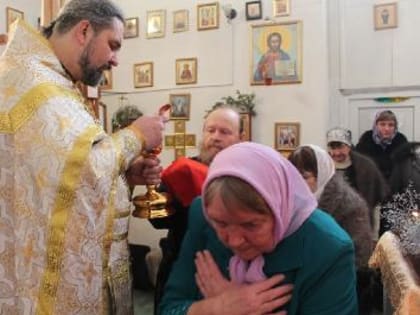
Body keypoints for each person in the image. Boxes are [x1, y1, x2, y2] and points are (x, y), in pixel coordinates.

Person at [0, 1, 165, 314]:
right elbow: (84, 170)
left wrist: (124, 176)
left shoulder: (47, 78)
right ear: (84, 30)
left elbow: (56, 180)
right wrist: (137, 136)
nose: (115, 60)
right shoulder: (36, 86)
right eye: (113, 45)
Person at [160, 142, 358, 315]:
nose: (235, 240)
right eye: (221, 223)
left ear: (280, 209)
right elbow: (168, 308)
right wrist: (217, 307)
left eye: (250, 225)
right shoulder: (202, 216)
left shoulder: (327, 248)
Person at [150, 106, 245, 314]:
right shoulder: (183, 169)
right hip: (181, 266)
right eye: (210, 130)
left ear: (240, 137)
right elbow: (157, 221)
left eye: (225, 132)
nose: (216, 137)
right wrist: (168, 197)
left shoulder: (248, 174)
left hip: (233, 268)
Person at [288, 145, 374, 314]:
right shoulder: (288, 203)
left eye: (304, 177)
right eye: (292, 176)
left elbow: (359, 259)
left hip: (337, 287)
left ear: (322, 176)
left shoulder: (350, 206)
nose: (296, 184)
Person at [326, 127, 389, 233]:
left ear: (349, 146)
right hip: (329, 227)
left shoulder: (366, 167)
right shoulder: (322, 167)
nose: (336, 153)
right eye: (333, 148)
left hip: (360, 227)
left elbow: (377, 201)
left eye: (340, 147)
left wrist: (374, 234)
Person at [356, 109, 408, 181]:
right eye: (382, 124)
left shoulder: (401, 140)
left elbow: (405, 166)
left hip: (395, 184)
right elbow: (360, 163)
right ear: (376, 125)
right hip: (371, 182)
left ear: (395, 127)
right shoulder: (366, 138)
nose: (386, 128)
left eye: (391, 125)